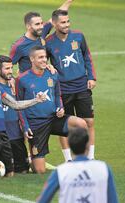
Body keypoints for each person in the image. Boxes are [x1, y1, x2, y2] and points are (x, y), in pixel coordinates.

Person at [16, 45, 87, 173]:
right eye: (40, 57)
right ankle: (30, 159)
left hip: (54, 119)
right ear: (32, 59)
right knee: (40, 170)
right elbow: (19, 105)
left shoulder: (52, 74)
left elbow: (57, 94)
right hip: (36, 124)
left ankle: (80, 162)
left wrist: (60, 107)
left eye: (45, 57)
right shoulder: (22, 79)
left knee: (81, 124)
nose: (44, 60)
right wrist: (25, 126)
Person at [46, 9, 97, 160]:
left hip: (82, 85)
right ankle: (69, 159)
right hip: (63, 89)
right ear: (54, 24)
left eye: (68, 21)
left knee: (89, 121)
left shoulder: (78, 36)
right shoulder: (49, 42)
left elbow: (87, 55)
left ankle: (91, 157)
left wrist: (92, 77)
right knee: (65, 125)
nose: (66, 24)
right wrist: (49, 68)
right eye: (63, 22)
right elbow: (43, 62)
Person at [37, 127, 118, 203]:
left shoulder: (61, 171)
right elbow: (113, 200)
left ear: (69, 145)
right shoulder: (104, 168)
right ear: (88, 145)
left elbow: (42, 200)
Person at [10, 0, 73, 73]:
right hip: (29, 83)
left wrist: (69, 1)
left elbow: (57, 15)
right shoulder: (19, 46)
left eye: (41, 23)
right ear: (28, 26)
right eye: (37, 24)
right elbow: (7, 65)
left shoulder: (41, 33)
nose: (41, 26)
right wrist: (11, 79)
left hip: (44, 80)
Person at [0, 55, 30, 173]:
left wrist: (25, 127)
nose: (10, 71)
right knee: (3, 171)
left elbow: (20, 108)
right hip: (0, 137)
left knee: (23, 170)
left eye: (11, 68)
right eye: (7, 69)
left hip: (16, 135)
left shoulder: (15, 85)